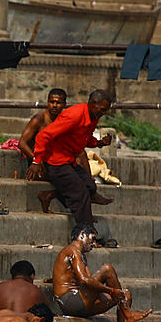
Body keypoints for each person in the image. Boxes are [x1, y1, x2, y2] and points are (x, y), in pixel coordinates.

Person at [52, 223, 152, 322]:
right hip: (70, 302)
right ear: (82, 235)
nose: (94, 244)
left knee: (125, 295)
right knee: (107, 269)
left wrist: (115, 293)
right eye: (92, 238)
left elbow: (90, 282)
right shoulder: (72, 250)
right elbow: (85, 279)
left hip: (81, 302)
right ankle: (127, 313)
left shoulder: (82, 255)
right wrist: (111, 291)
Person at [26, 89, 115, 225]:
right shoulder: (74, 115)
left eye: (105, 111)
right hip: (55, 162)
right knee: (81, 193)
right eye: (102, 110)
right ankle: (85, 230)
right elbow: (43, 136)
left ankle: (48, 195)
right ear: (92, 104)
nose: (103, 114)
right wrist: (36, 161)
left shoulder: (93, 117)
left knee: (90, 187)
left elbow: (84, 137)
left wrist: (99, 143)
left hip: (69, 160)